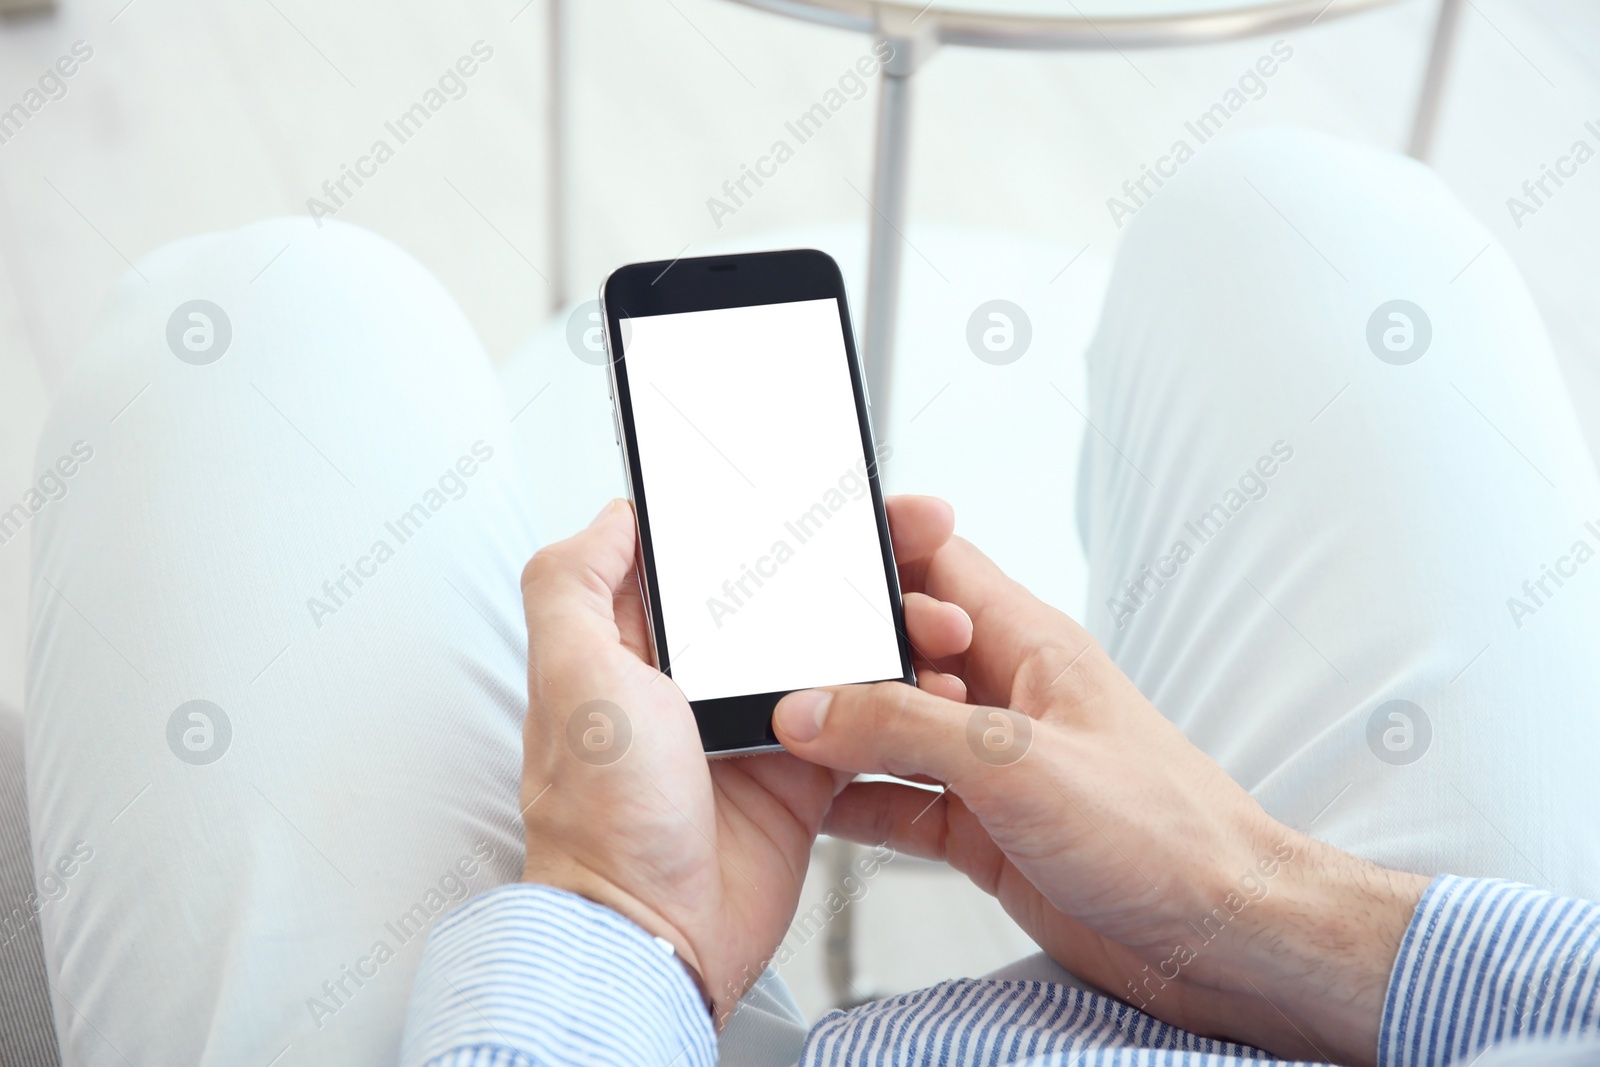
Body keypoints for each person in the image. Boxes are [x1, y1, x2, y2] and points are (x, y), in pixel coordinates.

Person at [23, 126, 1600, 1065]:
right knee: (1315, 221)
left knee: (259, 327)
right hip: (1385, 1012)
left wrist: (624, 923)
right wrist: (1246, 901)